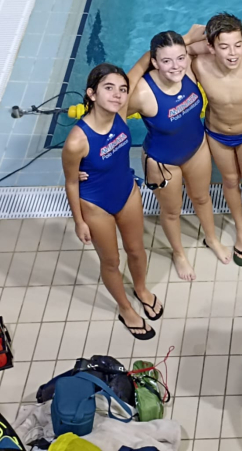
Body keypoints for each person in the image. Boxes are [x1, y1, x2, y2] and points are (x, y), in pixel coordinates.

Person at [62, 63, 162, 340]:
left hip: (127, 192)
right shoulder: (77, 141)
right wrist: (79, 221)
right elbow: (71, 181)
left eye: (122, 89)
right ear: (92, 94)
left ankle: (141, 289)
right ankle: (125, 308)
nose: (117, 94)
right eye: (109, 88)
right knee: (111, 261)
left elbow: (141, 66)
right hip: (96, 206)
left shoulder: (121, 112)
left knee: (137, 249)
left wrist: (185, 40)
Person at [125, 29, 231, 281]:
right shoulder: (142, 93)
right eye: (166, 61)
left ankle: (211, 238)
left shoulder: (191, 69)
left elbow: (219, 42)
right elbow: (110, 108)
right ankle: (179, 253)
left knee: (202, 198)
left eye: (180, 58)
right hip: (163, 161)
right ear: (153, 62)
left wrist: (190, 38)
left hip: (197, 148)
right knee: (172, 211)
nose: (176, 67)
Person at [186, 13, 242, 266]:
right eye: (224, 47)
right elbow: (171, 52)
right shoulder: (200, 64)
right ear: (211, 47)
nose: (232, 53)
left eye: (238, 45)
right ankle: (240, 228)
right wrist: (187, 37)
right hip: (217, 134)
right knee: (229, 181)